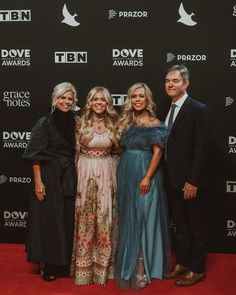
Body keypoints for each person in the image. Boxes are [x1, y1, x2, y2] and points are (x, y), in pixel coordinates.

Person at [115, 83, 171, 289]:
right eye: (134, 96)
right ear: (130, 100)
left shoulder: (154, 122)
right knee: (129, 217)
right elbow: (120, 148)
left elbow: (158, 152)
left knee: (144, 217)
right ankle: (130, 261)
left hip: (146, 173)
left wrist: (147, 177)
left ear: (148, 100)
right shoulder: (126, 122)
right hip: (126, 171)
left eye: (141, 96)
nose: (138, 99)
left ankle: (144, 267)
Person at [23, 82, 78, 281]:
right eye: (62, 98)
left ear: (74, 102)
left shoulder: (75, 121)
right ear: (55, 99)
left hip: (69, 175)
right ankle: (46, 264)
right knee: (49, 221)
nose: (66, 101)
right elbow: (35, 156)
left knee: (65, 220)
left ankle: (62, 262)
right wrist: (38, 182)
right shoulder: (44, 122)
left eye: (70, 99)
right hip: (48, 174)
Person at [164, 64, 210, 286]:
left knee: (195, 227)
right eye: (168, 81)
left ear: (186, 83)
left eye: (175, 81)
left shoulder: (197, 109)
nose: (170, 84)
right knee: (181, 226)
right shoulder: (169, 108)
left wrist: (193, 181)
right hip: (172, 180)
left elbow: (201, 149)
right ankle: (183, 262)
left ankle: (198, 268)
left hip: (189, 182)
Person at [70, 86, 119, 285]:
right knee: (85, 217)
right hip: (84, 172)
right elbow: (74, 151)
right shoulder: (79, 123)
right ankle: (83, 268)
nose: (99, 103)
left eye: (103, 100)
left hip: (107, 173)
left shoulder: (115, 124)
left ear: (108, 103)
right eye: (95, 99)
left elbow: (118, 150)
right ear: (89, 102)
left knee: (105, 216)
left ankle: (103, 269)